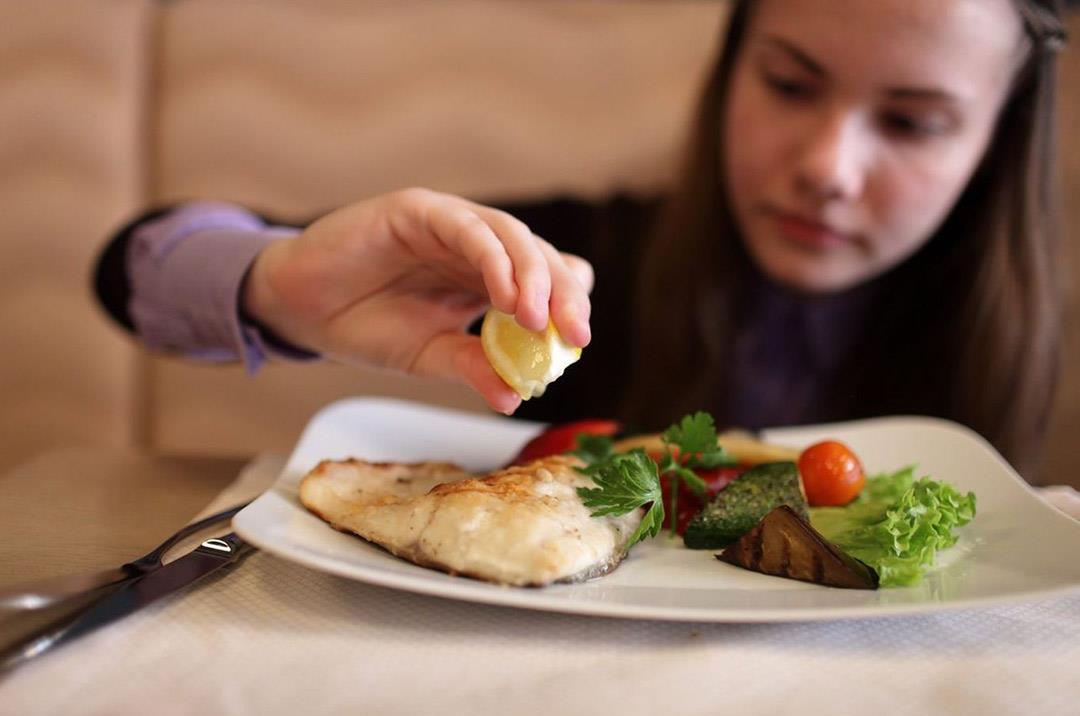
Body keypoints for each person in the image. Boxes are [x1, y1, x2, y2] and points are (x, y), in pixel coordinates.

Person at [94, 0, 1068, 479]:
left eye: (911, 122)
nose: (828, 165)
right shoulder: (559, 264)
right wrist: (275, 283)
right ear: (728, 70)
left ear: (994, 145)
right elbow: (131, 266)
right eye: (790, 82)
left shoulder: (1044, 357)